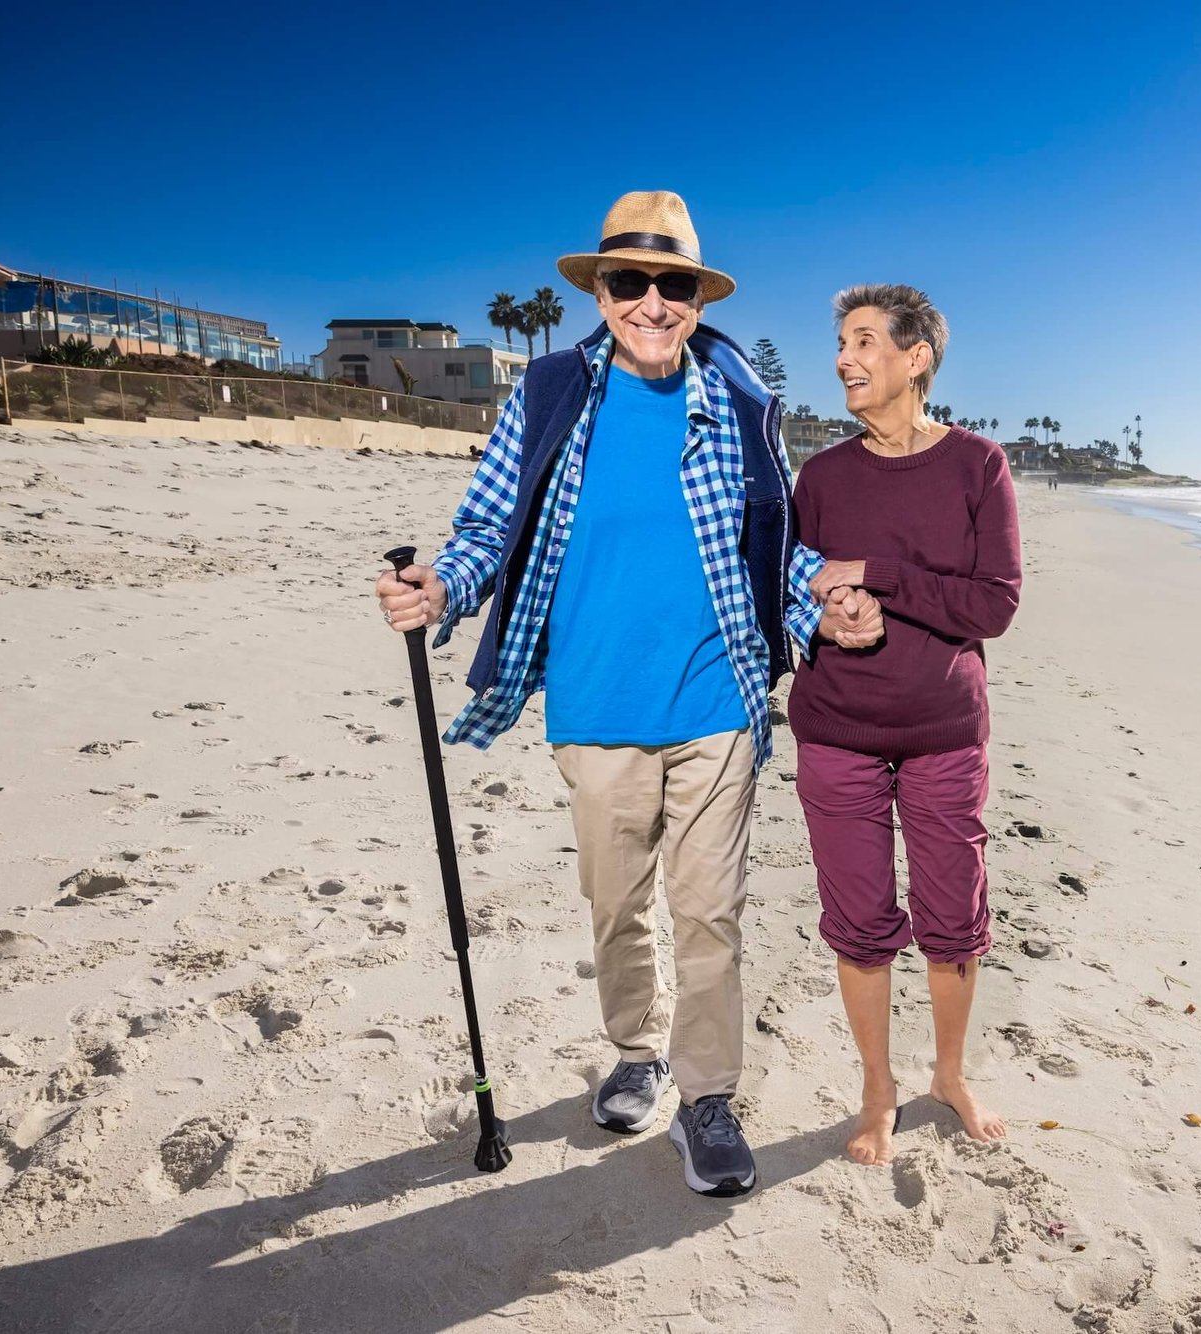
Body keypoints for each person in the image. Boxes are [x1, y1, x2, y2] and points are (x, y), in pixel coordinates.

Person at [374, 191, 883, 1196]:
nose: (652, 301)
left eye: (673, 284)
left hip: (716, 698)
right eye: (629, 281)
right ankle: (637, 1048)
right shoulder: (551, 394)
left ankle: (704, 1095)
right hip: (596, 703)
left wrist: (827, 604)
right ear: (599, 291)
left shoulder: (737, 400)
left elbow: (773, 546)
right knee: (617, 907)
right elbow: (486, 527)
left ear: (696, 297)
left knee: (709, 912)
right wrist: (438, 585)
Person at [789, 284, 1023, 1164]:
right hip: (836, 730)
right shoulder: (822, 476)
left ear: (916, 357)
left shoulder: (978, 466)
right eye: (840, 344)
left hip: (945, 731)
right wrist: (829, 605)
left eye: (862, 342)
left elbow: (994, 607)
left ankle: (950, 1074)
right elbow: (787, 590)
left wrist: (876, 571)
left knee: (954, 919)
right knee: (857, 921)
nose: (844, 359)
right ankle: (877, 1087)